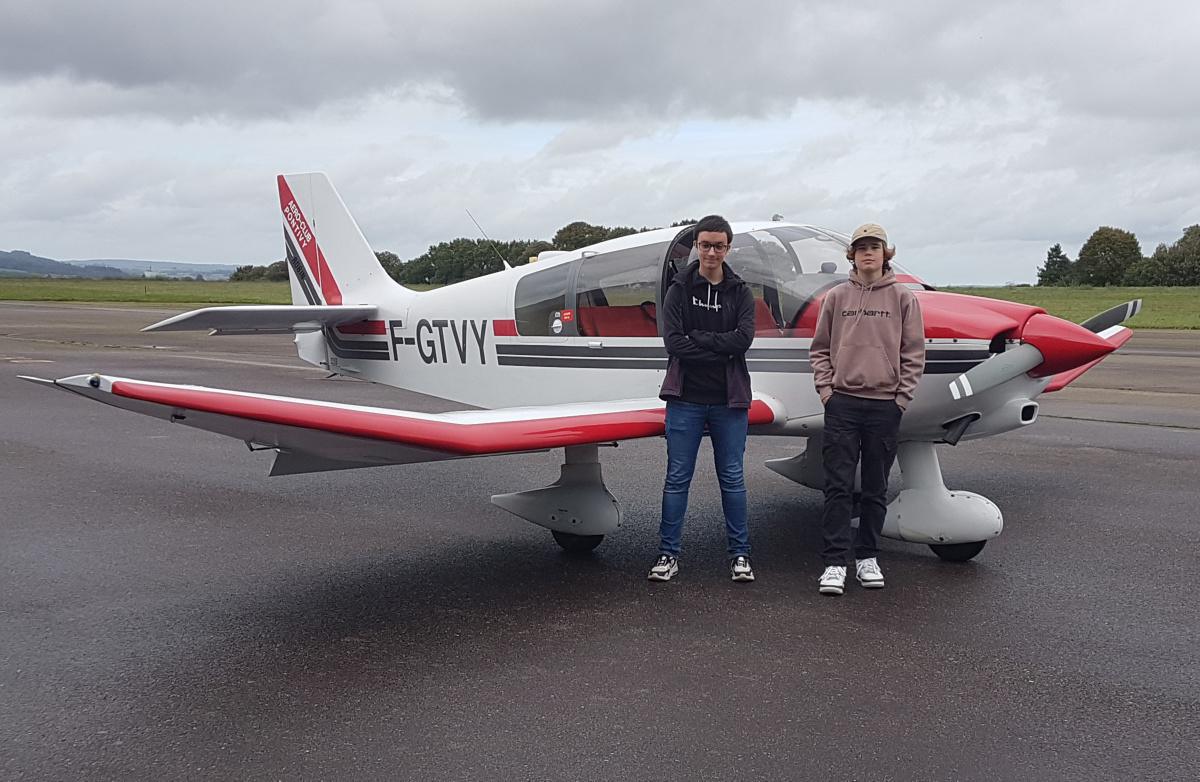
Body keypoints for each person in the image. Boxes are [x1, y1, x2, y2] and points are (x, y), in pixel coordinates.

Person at [809, 223, 924, 596]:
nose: (867, 253)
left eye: (874, 246)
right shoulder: (836, 297)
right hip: (842, 403)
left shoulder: (903, 299)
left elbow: (913, 353)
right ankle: (834, 563)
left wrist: (901, 398)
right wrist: (827, 392)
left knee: (875, 486)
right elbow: (820, 349)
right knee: (838, 487)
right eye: (861, 248)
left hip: (884, 405)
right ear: (853, 255)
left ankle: (868, 557)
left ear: (885, 252)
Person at [648, 215, 757, 583]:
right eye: (705, 244)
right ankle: (668, 554)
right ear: (697, 246)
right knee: (677, 478)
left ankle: (740, 555)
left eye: (719, 245)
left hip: (730, 400)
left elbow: (743, 340)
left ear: (728, 248)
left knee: (733, 478)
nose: (712, 252)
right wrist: (719, 347)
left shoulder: (740, 290)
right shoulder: (679, 288)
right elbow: (673, 342)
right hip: (686, 399)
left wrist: (700, 341)